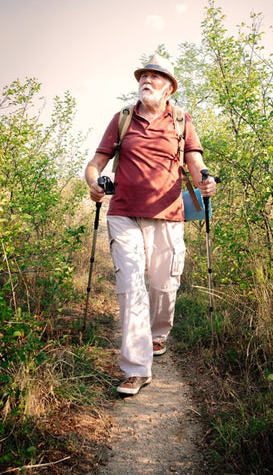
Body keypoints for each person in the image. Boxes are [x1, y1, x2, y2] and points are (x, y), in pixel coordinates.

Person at [85, 54, 216, 395]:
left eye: (155, 77)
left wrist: (205, 178)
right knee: (131, 286)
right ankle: (136, 369)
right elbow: (95, 163)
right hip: (124, 213)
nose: (147, 80)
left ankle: (158, 335)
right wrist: (94, 183)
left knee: (163, 286)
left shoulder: (182, 120)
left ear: (169, 87)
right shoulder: (122, 118)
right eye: (143, 75)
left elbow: (195, 160)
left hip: (169, 214)